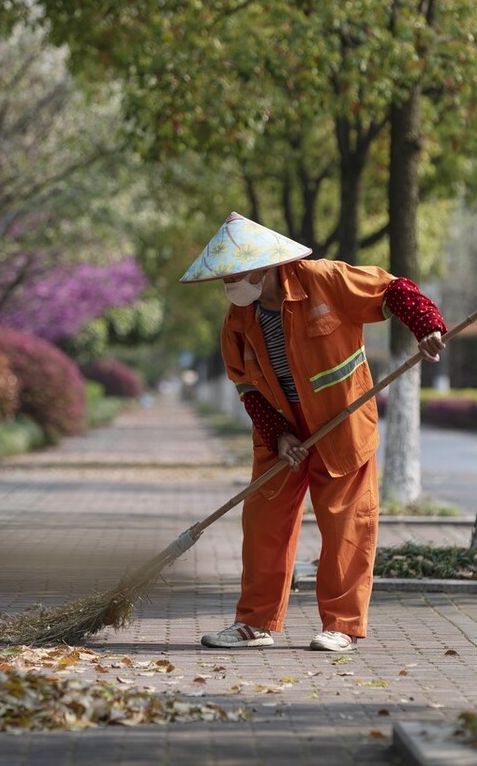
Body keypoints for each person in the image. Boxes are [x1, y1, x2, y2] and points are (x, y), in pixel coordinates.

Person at [180, 212, 447, 652]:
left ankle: (341, 625)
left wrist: (428, 326)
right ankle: (256, 623)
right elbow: (247, 388)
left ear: (264, 266)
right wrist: (278, 435)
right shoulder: (237, 323)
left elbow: (393, 289)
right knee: (263, 522)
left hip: (341, 422)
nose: (230, 287)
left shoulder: (324, 280)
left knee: (346, 524)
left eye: (236, 276)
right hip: (283, 432)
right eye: (225, 280)